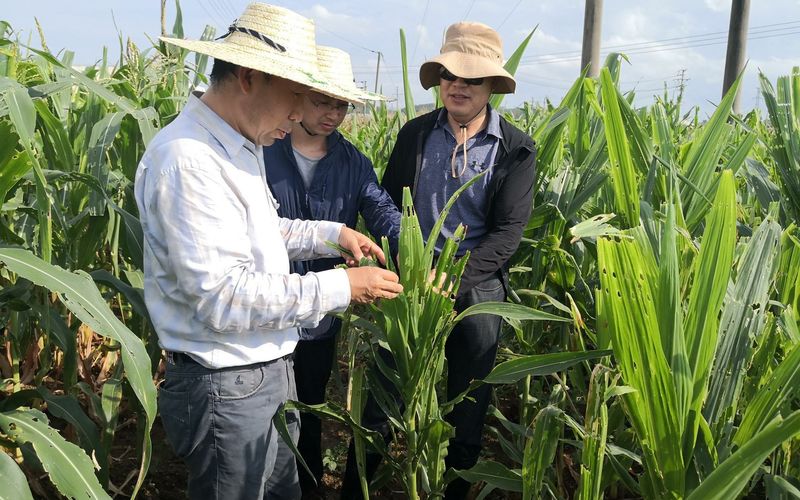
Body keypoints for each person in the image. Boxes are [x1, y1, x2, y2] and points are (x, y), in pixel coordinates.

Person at [134, 4, 402, 499]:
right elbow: (222, 297)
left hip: (266, 373)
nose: (301, 115)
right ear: (251, 77)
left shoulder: (238, 145)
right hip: (227, 386)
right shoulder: (188, 161)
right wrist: (341, 286)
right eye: (297, 96)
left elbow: (261, 232)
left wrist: (331, 234)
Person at [341, 21, 536, 499]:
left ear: (492, 86)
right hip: (410, 277)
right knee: (383, 398)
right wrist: (402, 266)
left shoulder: (515, 149)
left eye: (471, 79)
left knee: (467, 402)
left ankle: (450, 488)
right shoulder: (415, 135)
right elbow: (388, 202)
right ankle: (357, 488)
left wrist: (453, 277)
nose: (458, 86)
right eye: (450, 75)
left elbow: (508, 233)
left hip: (475, 282)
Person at [263, 45, 401, 496]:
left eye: (341, 104)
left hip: (321, 314)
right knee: (267, 415)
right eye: (323, 101)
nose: (332, 114)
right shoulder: (262, 151)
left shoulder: (353, 163)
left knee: (311, 407)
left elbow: (380, 209)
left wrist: (418, 250)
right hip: (264, 308)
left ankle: (307, 487)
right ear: (297, 97)